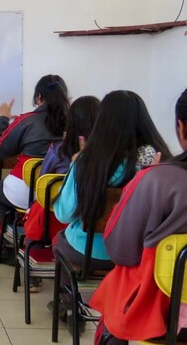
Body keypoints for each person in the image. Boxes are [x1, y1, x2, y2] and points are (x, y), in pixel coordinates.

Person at [88, 88, 187, 345]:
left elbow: (120, 251)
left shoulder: (157, 180)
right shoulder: (153, 165)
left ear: (181, 126)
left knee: (119, 287)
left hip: (162, 315)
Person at [53, 90, 172, 269]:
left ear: (102, 123)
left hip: (89, 252)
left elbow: (65, 214)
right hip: (140, 256)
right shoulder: (161, 164)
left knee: (59, 241)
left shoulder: (86, 163)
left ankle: (69, 295)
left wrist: (74, 164)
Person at [23, 95, 100, 292]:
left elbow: (44, 181)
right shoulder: (111, 163)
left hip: (56, 223)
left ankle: (34, 277)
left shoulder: (59, 151)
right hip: (103, 236)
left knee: (37, 213)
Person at [0, 74, 69, 229]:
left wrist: (2, 119)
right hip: (62, 192)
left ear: (38, 96)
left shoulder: (27, 120)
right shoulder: (75, 120)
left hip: (25, 191)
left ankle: (4, 244)